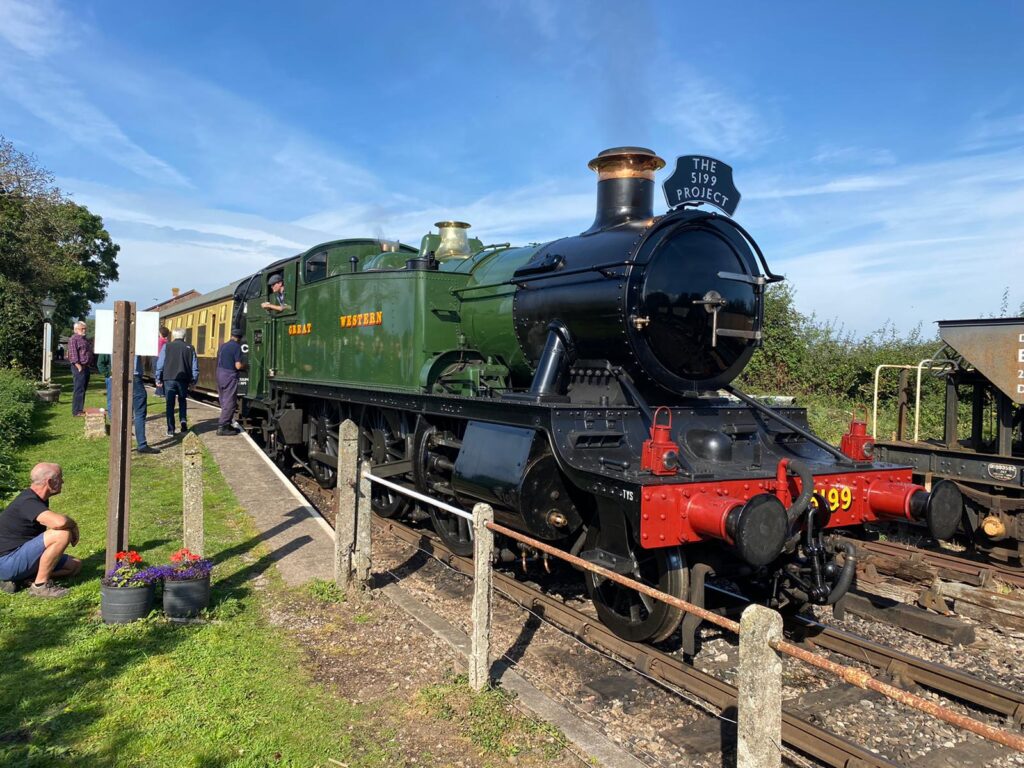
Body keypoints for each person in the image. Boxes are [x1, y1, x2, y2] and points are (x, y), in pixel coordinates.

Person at [0, 464, 82, 597]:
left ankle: (22, 580)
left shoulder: (38, 498)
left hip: (19, 556)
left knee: (74, 566)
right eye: (60, 477)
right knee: (62, 534)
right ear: (50, 482)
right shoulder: (27, 501)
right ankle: (40, 586)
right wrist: (72, 525)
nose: (62, 481)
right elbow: (59, 523)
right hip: (6, 561)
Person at [155, 328, 198, 436]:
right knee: (182, 400)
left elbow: (160, 363)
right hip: (184, 379)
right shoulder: (190, 348)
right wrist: (194, 381)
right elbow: (195, 367)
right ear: (184, 336)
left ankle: (171, 429)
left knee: (170, 404)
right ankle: (183, 421)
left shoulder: (167, 346)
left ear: (173, 336)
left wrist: (158, 378)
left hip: (169, 378)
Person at [215, 328, 245, 436]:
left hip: (219, 373)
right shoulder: (236, 347)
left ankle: (227, 424)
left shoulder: (223, 346)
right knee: (230, 401)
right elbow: (238, 365)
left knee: (223, 400)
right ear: (239, 338)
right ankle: (223, 426)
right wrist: (245, 366)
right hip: (229, 375)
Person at [133, 355, 160, 454]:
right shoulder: (135, 341)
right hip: (134, 377)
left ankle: (120, 444)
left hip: (117, 377)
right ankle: (142, 444)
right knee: (139, 413)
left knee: (122, 413)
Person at [67, 321, 93, 416]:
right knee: (79, 389)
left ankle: (80, 409)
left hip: (86, 367)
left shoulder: (84, 339)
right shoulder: (73, 339)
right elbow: (73, 355)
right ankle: (76, 411)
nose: (84, 330)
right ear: (76, 329)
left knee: (83, 388)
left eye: (85, 328)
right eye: (82, 328)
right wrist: (79, 367)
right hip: (79, 367)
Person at [155, 326, 171, 397]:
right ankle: (161, 391)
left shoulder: (158, 340)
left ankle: (159, 392)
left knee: (158, 374)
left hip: (158, 357)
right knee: (163, 375)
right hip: (166, 359)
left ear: (160, 333)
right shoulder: (167, 342)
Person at [97, 353, 112, 419]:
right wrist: (109, 374)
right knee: (111, 398)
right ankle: (112, 417)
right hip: (111, 377)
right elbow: (100, 364)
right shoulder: (107, 349)